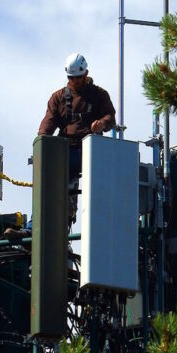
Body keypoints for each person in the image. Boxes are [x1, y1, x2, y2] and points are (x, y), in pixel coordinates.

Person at [38, 52, 117, 224]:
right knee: (49, 184)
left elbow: (111, 117)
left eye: (78, 77)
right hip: (66, 149)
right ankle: (34, 226)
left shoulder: (99, 95)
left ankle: (99, 224)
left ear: (86, 74)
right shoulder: (58, 97)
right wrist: (42, 142)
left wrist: (102, 124)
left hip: (91, 150)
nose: (75, 81)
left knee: (98, 191)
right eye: (71, 78)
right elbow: (48, 122)